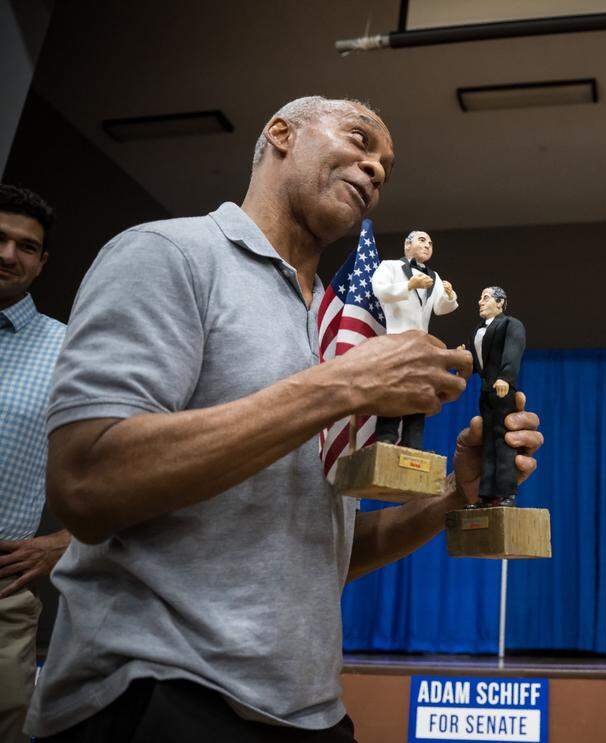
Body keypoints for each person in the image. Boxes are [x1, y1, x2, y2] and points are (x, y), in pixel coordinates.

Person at [24, 96, 543, 742]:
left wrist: (454, 496)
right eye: (358, 140)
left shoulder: (338, 321)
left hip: (313, 712)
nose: (376, 168)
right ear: (280, 134)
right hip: (158, 696)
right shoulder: (171, 254)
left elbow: (328, 554)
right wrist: (341, 386)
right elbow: (85, 481)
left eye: (385, 163)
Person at [0, 185, 70, 743]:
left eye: (26, 247)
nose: (9, 255)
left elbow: (122, 457)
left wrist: (68, 541)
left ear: (42, 262)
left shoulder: (68, 349)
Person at [370, 229, 458, 449]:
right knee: (393, 392)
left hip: (422, 346)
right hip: (396, 342)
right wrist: (410, 285)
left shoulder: (433, 276)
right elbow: (380, 290)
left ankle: (413, 444)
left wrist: (449, 295)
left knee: (420, 394)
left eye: (430, 242)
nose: (427, 245)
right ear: (407, 245)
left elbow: (439, 308)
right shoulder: (390, 266)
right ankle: (386, 440)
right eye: (421, 240)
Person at [470, 287, 526, 505]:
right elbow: (479, 361)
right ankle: (485, 494)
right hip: (485, 390)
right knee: (488, 442)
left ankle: (507, 492)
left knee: (504, 441)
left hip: (502, 389)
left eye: (485, 298)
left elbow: (513, 351)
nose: (480, 302)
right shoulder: (477, 330)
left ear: (500, 302)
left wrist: (506, 377)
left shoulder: (511, 324)